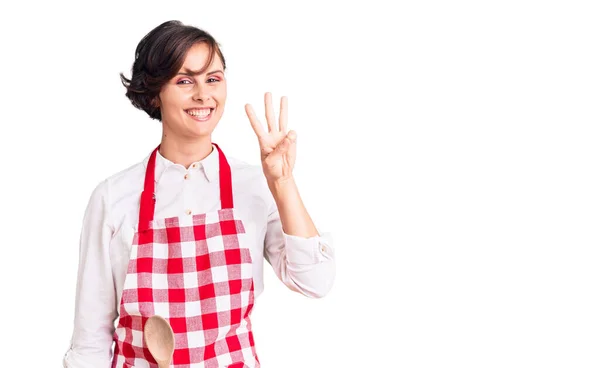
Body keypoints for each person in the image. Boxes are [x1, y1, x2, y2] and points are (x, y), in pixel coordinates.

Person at [63, 20, 335, 368]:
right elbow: (90, 340)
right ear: (153, 91)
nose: (203, 94)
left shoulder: (254, 185)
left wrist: (282, 183)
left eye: (213, 78)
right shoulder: (113, 197)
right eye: (185, 80)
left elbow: (315, 281)